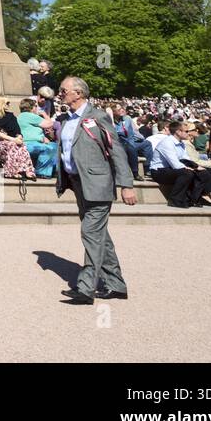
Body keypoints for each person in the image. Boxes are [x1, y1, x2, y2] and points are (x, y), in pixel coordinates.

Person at [53, 76, 136, 305]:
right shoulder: (66, 119)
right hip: (78, 183)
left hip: (98, 184)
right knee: (100, 236)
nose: (60, 94)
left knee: (90, 232)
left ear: (78, 93)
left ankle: (86, 288)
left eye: (63, 90)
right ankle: (117, 285)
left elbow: (116, 150)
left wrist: (126, 185)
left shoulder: (97, 117)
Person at [0, 96, 36, 179]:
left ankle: (28, 171)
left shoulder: (11, 116)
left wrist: (19, 137)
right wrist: (14, 140)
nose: (9, 104)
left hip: (13, 141)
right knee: (12, 145)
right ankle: (12, 172)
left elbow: (17, 130)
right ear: (0, 103)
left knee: (22, 146)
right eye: (7, 103)